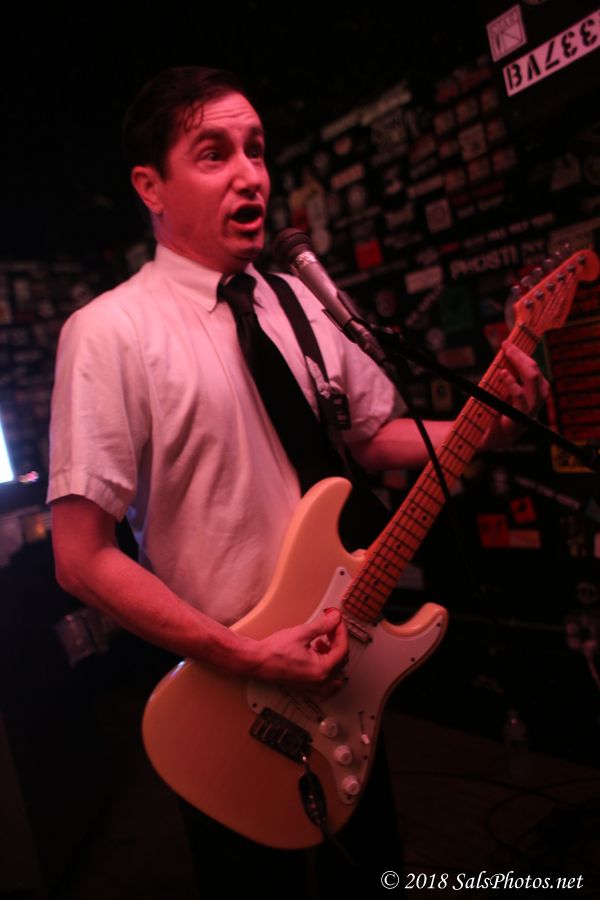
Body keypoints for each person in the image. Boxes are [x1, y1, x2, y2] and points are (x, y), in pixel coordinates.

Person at [48, 67, 548, 897]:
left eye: (255, 149)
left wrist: (486, 422)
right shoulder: (109, 331)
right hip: (233, 700)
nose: (250, 174)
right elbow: (79, 556)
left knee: (376, 872)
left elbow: (373, 438)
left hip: (345, 668)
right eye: (213, 154)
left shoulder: (300, 304)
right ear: (151, 187)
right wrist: (250, 653)